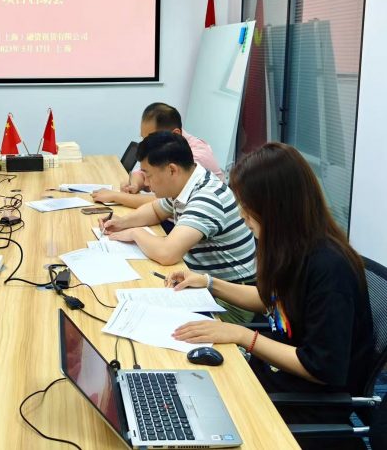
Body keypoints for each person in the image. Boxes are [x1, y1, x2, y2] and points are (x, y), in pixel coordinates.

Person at [168, 143, 374, 450]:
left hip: (305, 401)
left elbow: (320, 367)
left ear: (275, 207)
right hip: (275, 377)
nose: (243, 215)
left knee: (193, 421)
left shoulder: (329, 269)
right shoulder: (293, 248)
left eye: (248, 206)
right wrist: (209, 283)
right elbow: (271, 301)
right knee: (186, 389)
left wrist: (243, 336)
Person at [102, 132, 256, 323]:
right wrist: (122, 222)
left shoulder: (207, 197)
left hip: (229, 301)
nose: (146, 183)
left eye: (148, 175)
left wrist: (134, 232)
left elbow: (167, 253)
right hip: (201, 283)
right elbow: (156, 210)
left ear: (172, 170)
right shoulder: (189, 182)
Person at [93, 102, 224, 208]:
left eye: (150, 138)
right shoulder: (168, 148)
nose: (146, 144)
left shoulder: (195, 158)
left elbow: (163, 202)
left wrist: (116, 196)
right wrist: (135, 185)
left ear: (175, 134)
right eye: (143, 138)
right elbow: (143, 172)